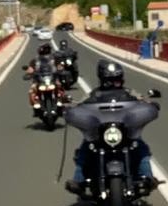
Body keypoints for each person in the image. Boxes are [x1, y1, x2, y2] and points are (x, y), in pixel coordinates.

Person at [65, 59, 158, 193]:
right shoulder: (93, 95)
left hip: (124, 133)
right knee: (85, 149)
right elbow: (79, 104)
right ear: (103, 79)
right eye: (111, 80)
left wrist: (150, 104)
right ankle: (78, 180)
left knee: (141, 148)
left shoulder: (129, 93)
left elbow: (142, 100)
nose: (116, 82)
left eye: (118, 79)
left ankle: (148, 177)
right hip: (99, 134)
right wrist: (70, 108)